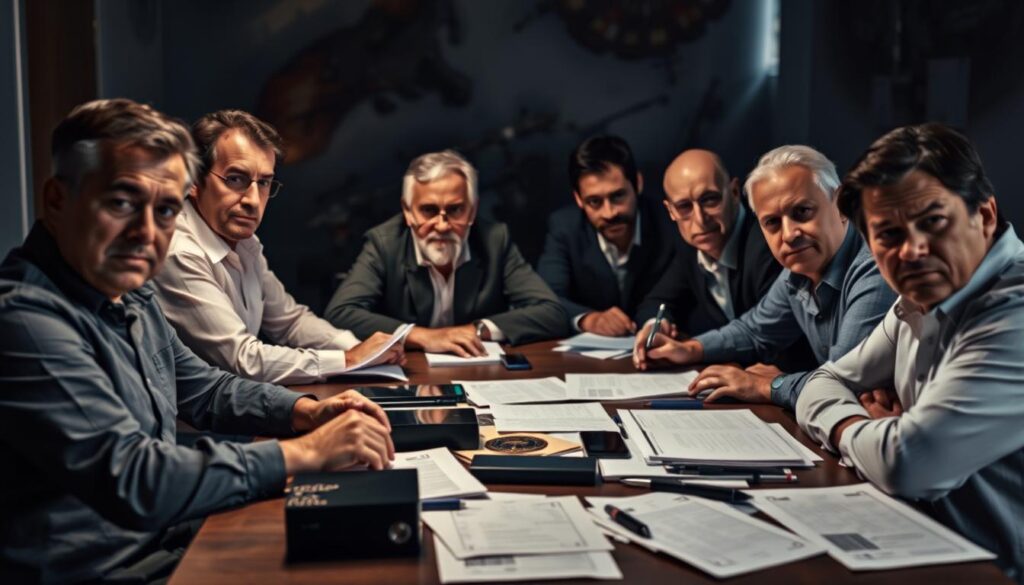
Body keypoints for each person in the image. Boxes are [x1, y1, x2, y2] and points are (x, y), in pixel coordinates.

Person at [0, 99, 396, 584]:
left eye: (165, 209)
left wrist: (306, 412)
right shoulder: (21, 319)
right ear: (58, 201)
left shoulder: (130, 291)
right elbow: (136, 477)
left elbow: (204, 388)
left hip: (165, 537)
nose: (146, 233)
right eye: (122, 202)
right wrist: (305, 452)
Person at [797, 123, 1024, 582]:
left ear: (984, 215)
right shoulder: (916, 300)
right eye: (888, 235)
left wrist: (864, 431)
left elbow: (909, 464)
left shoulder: (1013, 312)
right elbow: (820, 382)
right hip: (918, 544)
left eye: (933, 222)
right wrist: (872, 431)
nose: (913, 250)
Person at [152, 110, 402, 384]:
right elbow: (244, 360)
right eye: (236, 179)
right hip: (190, 424)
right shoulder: (178, 250)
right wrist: (350, 360)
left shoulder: (246, 243)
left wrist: (359, 349)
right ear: (194, 183)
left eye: (264, 183)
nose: (253, 200)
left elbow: (290, 322)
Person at [636, 145, 895, 411]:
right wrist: (690, 350)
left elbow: (841, 383)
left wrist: (768, 385)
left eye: (802, 212)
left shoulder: (876, 266)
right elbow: (754, 331)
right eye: (772, 222)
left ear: (841, 205)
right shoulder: (796, 271)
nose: (789, 234)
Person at [325, 150, 568, 356]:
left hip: (480, 372)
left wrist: (477, 330)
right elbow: (340, 314)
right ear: (408, 211)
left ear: (472, 211)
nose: (442, 225)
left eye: (455, 210)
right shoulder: (385, 243)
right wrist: (421, 336)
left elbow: (551, 313)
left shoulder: (494, 239)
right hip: (408, 375)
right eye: (429, 210)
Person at [536, 135, 677, 336]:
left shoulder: (669, 224)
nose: (609, 213)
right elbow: (545, 298)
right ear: (578, 199)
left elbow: (676, 298)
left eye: (618, 196)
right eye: (594, 201)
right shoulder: (564, 227)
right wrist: (589, 319)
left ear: (637, 183)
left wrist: (654, 325)